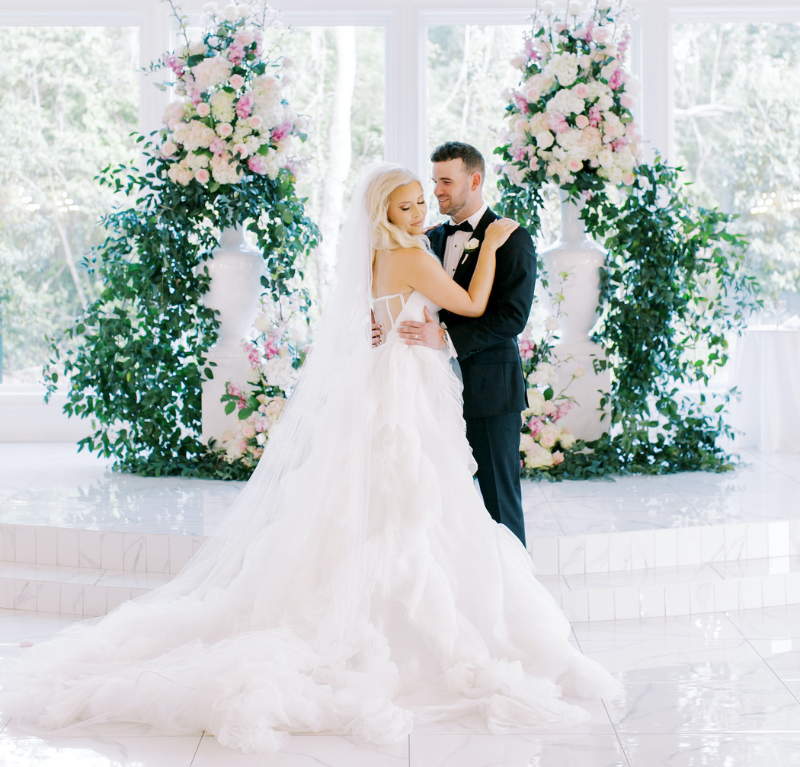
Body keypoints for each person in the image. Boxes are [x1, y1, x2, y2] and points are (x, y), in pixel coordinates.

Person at [0, 163, 621, 754]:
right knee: (412, 496)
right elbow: (470, 305)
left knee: (391, 499)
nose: (420, 210)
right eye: (406, 204)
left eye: (422, 200)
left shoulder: (385, 254)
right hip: (406, 387)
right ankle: (405, 626)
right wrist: (489, 248)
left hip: (388, 378)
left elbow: (383, 318)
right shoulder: (408, 253)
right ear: (382, 212)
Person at [395, 141, 534, 546]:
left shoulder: (510, 238)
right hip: (430, 391)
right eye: (434, 179)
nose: (436, 190)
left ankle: (515, 598)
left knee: (498, 503)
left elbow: (512, 318)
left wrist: (447, 339)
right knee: (440, 503)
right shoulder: (429, 238)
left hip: (489, 391)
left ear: (474, 180)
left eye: (446, 181)